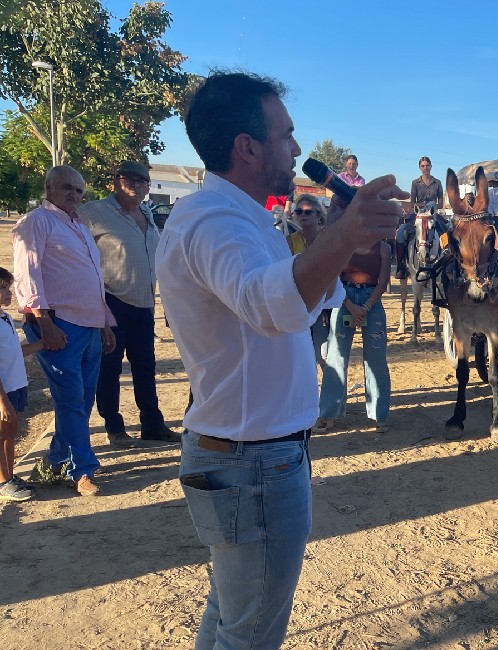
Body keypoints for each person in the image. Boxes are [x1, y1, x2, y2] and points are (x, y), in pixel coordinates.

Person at [156, 71, 406, 648]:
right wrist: (343, 236)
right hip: (253, 464)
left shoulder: (243, 218)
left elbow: (309, 296)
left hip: (253, 457)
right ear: (247, 146)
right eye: (287, 135)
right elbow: (271, 308)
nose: (297, 149)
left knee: (231, 621)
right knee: (249, 636)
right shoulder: (215, 222)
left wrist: (339, 241)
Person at [13, 166, 117, 497]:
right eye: (67, 188)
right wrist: (43, 320)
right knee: (71, 398)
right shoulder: (36, 222)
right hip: (57, 324)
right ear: (49, 187)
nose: (74, 195)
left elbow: (93, 277)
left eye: (79, 191)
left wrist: (104, 322)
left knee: (83, 399)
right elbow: (27, 273)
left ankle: (58, 459)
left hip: (89, 324)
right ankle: (82, 471)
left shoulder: (78, 226)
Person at [78, 160, 180, 448]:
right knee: (109, 368)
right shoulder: (94, 213)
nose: (135, 185)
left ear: (148, 186)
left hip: (144, 304)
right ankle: (114, 427)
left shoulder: (146, 214)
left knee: (145, 366)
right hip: (111, 303)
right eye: (129, 179)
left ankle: (152, 424)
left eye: (142, 181)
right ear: (115, 181)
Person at [0, 267, 43, 502]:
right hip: (3, 392)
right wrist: (3, 401)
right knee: (1, 433)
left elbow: (16, 351)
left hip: (16, 386)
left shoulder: (6, 318)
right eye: (2, 289)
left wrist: (44, 343)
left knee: (10, 433)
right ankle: (3, 482)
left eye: (8, 287)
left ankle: (10, 475)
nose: (8, 293)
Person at [286, 194, 342, 369]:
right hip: (299, 305)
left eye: (308, 212)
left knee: (325, 357)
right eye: (299, 211)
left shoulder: (328, 239)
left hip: (326, 305)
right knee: (301, 357)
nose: (303, 215)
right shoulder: (289, 241)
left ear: (318, 215)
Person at [397, 156, 444, 279]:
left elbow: (441, 203)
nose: (425, 168)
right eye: (422, 166)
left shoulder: (437, 182)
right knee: (402, 232)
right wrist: (423, 205)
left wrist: (432, 205)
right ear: (419, 167)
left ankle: (450, 265)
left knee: (448, 232)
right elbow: (412, 203)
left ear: (431, 166)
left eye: (427, 165)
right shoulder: (415, 183)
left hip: (433, 214)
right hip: (418, 214)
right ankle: (401, 265)